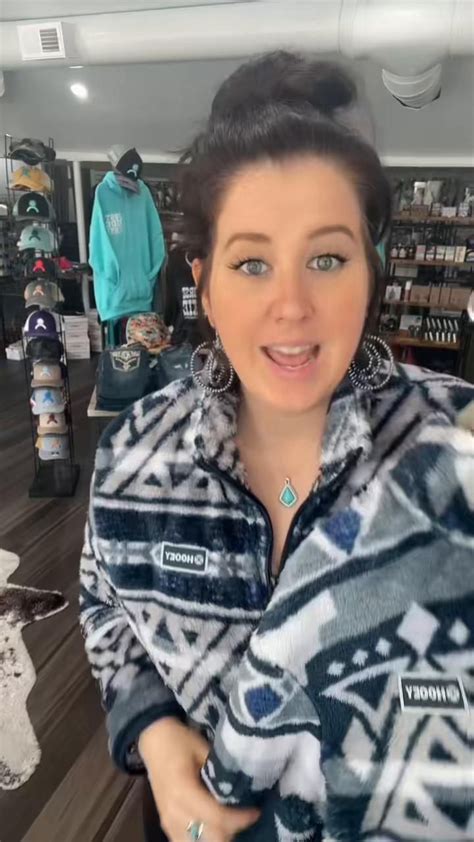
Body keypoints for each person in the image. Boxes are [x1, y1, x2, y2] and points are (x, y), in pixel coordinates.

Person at [80, 52, 474, 842]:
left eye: (326, 258)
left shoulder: (452, 446)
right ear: (205, 282)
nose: (291, 305)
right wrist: (155, 737)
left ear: (372, 271)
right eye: (252, 263)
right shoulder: (136, 456)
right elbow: (104, 605)